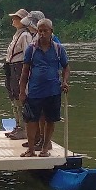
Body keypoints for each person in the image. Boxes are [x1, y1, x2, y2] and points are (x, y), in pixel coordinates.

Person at [19, 18, 69, 158]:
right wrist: (22, 91)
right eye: (40, 31)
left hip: (53, 91)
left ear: (51, 32)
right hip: (34, 91)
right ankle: (30, 149)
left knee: (50, 120)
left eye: (45, 31)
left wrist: (64, 81)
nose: (42, 33)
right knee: (31, 120)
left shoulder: (59, 49)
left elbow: (66, 67)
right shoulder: (31, 49)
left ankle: (45, 149)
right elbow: (25, 72)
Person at [3, 9, 34, 140]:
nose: (13, 20)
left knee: (19, 97)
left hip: (18, 67)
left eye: (16, 18)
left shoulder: (25, 36)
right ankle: (17, 125)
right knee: (13, 96)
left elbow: (27, 55)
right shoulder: (17, 34)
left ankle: (23, 128)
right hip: (11, 67)